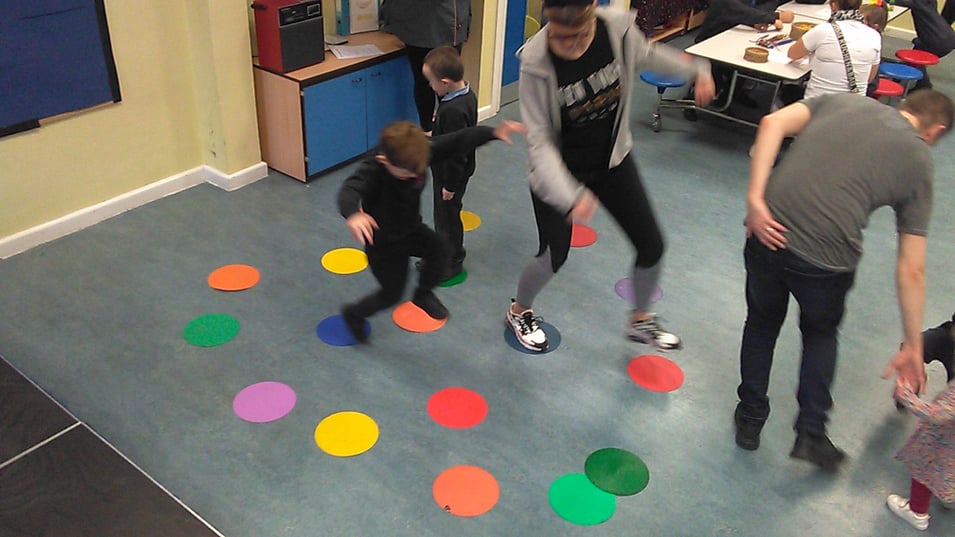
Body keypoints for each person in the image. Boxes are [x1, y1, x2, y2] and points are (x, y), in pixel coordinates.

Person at [733, 90, 953, 469]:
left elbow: (771, 123)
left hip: (767, 230)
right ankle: (811, 434)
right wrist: (914, 346)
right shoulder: (918, 160)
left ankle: (750, 418)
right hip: (826, 262)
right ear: (936, 131)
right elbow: (911, 268)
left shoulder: (843, 101)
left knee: (762, 321)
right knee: (820, 334)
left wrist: (755, 200)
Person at [505, 0, 715, 352]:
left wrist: (696, 70)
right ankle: (519, 310)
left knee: (652, 244)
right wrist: (569, 194)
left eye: (579, 35)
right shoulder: (536, 62)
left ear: (592, 13)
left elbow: (647, 55)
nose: (570, 45)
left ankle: (641, 320)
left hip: (611, 158)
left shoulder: (615, 28)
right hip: (558, 170)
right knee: (552, 255)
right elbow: (539, 141)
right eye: (561, 36)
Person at [338, 120, 525, 342]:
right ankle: (354, 314)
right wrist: (353, 213)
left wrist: (492, 132)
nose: (412, 177)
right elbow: (349, 189)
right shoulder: (372, 169)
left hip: (411, 230)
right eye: (405, 174)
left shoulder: (419, 152)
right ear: (384, 160)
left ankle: (422, 294)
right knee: (391, 294)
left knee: (442, 249)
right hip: (384, 244)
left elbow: (458, 140)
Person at [420, 46, 478, 278]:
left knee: (446, 217)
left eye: (431, 82)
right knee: (444, 216)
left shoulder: (453, 111)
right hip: (448, 169)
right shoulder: (463, 94)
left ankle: (451, 260)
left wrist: (449, 186)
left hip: (450, 174)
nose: (429, 86)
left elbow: (457, 153)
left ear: (444, 82)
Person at [381, 0, 471, 134]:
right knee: (426, 81)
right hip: (418, 22)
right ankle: (431, 131)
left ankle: (446, 132)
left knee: (445, 83)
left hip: (445, 22)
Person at [692, 0, 795, 107]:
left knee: (747, 63)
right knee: (713, 78)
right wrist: (775, 17)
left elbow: (755, 7)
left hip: (735, 34)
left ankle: (732, 95)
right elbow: (731, 8)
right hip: (710, 42)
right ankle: (692, 100)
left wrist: (755, 21)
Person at [886, 378, 955, 531]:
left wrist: (906, 395)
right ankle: (948, 496)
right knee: (949, 478)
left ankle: (916, 512)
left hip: (944, 445)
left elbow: (936, 414)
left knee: (925, 472)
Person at [784, 0, 882, 102]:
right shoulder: (874, 35)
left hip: (818, 106)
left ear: (833, 5)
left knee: (786, 91)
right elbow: (870, 78)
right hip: (853, 108)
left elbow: (792, 54)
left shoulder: (823, 30)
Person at [891, 0, 955, 89]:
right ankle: (911, 80)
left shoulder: (918, 2)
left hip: (937, 42)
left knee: (918, 56)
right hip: (947, 36)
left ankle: (923, 85)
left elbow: (897, 1)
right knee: (917, 48)